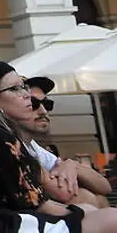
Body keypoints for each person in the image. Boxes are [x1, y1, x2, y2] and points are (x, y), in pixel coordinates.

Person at [0, 62, 117, 232]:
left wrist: (71, 167)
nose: (26, 95)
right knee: (107, 216)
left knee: (97, 208)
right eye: (14, 89)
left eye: (23, 87)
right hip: (5, 226)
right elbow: (41, 204)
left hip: (5, 222)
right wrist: (84, 211)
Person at [25, 77, 112, 210]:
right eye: (33, 104)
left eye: (47, 104)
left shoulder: (33, 146)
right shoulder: (11, 143)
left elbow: (105, 187)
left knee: (98, 198)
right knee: (85, 199)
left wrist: (73, 166)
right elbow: (63, 193)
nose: (43, 111)